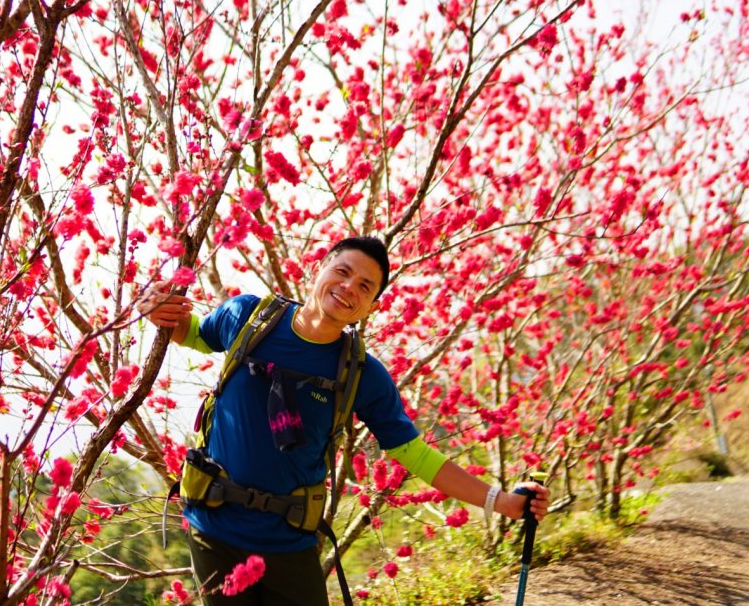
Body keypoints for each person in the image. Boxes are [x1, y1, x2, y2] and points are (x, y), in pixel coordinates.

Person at [140, 236, 549, 605]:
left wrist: (503, 502)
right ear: (321, 269)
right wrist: (157, 306)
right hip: (214, 529)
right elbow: (194, 332)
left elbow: (417, 456)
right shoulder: (248, 316)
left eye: (365, 286)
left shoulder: (363, 374)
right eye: (343, 271)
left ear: (371, 306)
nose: (349, 287)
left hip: (288, 542)